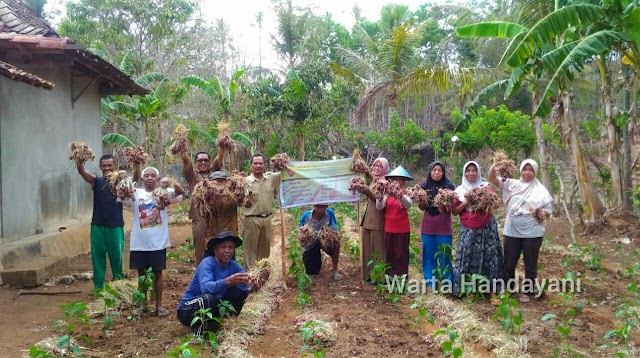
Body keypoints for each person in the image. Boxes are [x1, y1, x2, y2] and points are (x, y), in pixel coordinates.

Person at [488, 159, 554, 303]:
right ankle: (509, 288)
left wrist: (540, 212)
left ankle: (528, 292)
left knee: (530, 263)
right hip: (512, 231)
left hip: (533, 232)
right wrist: (497, 163)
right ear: (521, 170)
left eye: (530, 170)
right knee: (509, 262)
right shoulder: (512, 184)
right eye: (525, 169)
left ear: (535, 172)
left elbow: (549, 209)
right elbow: (492, 178)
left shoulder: (541, 190)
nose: (527, 173)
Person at [76, 154, 139, 290]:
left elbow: (135, 178)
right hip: (97, 225)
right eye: (104, 165)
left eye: (109, 165)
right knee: (97, 256)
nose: (107, 168)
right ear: (100, 167)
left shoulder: (122, 182)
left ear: (115, 166)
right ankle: (98, 287)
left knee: (117, 256)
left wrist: (136, 163)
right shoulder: (96, 181)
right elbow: (81, 171)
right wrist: (79, 160)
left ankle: (119, 285)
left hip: (115, 225)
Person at [128, 166, 184, 317]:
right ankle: (142, 305)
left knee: (158, 274)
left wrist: (171, 182)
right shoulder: (135, 193)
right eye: (147, 175)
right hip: (139, 242)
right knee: (141, 275)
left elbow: (181, 192)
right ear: (142, 179)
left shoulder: (164, 192)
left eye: (153, 175)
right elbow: (119, 193)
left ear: (158, 179)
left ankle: (159, 306)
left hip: (158, 242)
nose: (150, 178)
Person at [451, 161, 505, 303]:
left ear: (478, 172)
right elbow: (455, 212)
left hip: (487, 228)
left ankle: (493, 292)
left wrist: (484, 200)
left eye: (474, 170)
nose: (471, 173)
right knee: (468, 258)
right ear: (464, 173)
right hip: (468, 229)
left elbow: (497, 204)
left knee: (490, 257)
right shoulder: (459, 190)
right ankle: (470, 290)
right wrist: (467, 202)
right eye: (468, 170)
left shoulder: (485, 187)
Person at [177, 231, 250, 335]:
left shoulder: (233, 265)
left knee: (240, 292)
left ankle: (225, 324)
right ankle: (199, 333)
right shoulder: (207, 263)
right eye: (223, 247)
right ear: (215, 250)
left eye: (230, 247)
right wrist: (227, 281)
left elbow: (246, 279)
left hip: (215, 305)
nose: (227, 251)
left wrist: (253, 281)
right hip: (188, 309)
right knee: (208, 298)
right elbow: (206, 288)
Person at [182, 149, 224, 266]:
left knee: (218, 246)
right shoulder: (192, 175)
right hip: (200, 218)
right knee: (200, 249)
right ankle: (201, 275)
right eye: (200, 160)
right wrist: (182, 147)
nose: (203, 162)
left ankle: (218, 275)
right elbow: (185, 161)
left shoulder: (215, 173)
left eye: (206, 160)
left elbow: (220, 158)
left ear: (210, 162)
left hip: (216, 217)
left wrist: (221, 145)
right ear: (195, 163)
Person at [420, 161, 455, 288]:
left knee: (445, 256)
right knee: (428, 256)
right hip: (428, 226)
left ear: (443, 172)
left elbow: (452, 207)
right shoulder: (423, 187)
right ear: (430, 171)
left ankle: (448, 284)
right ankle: (431, 283)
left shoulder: (449, 187)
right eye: (434, 170)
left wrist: (444, 202)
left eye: (439, 170)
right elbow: (421, 207)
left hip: (443, 227)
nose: (436, 172)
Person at [356, 157, 389, 284]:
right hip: (368, 220)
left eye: (379, 167)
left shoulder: (385, 183)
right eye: (374, 166)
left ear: (385, 169)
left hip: (378, 221)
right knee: (367, 250)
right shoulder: (374, 181)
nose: (376, 168)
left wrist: (366, 191)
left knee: (378, 250)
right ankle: (368, 275)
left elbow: (380, 201)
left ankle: (379, 277)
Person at [376, 166, 413, 278]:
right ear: (390, 181)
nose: (398, 182)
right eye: (395, 179)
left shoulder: (407, 193)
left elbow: (408, 204)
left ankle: (401, 278)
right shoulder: (387, 195)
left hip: (402, 228)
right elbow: (379, 207)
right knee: (390, 254)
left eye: (400, 179)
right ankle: (390, 278)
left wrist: (399, 194)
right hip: (389, 227)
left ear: (404, 181)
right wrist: (380, 194)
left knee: (401, 254)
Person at [243, 154, 280, 267]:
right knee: (250, 250)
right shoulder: (245, 182)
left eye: (261, 163)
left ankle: (263, 278)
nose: (258, 165)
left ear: (264, 165)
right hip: (251, 220)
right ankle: (251, 277)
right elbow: (239, 200)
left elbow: (286, 173)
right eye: (255, 163)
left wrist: (280, 162)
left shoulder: (271, 178)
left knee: (265, 251)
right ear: (251, 166)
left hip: (267, 219)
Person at [298, 204, 343, 280]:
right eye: (318, 206)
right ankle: (316, 260)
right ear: (314, 206)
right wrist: (304, 232)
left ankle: (335, 271)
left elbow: (334, 228)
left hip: (324, 240)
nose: (320, 209)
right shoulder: (306, 216)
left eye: (323, 206)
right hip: (311, 243)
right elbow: (299, 229)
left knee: (336, 243)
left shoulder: (330, 213)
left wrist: (328, 233)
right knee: (312, 271)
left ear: (326, 207)